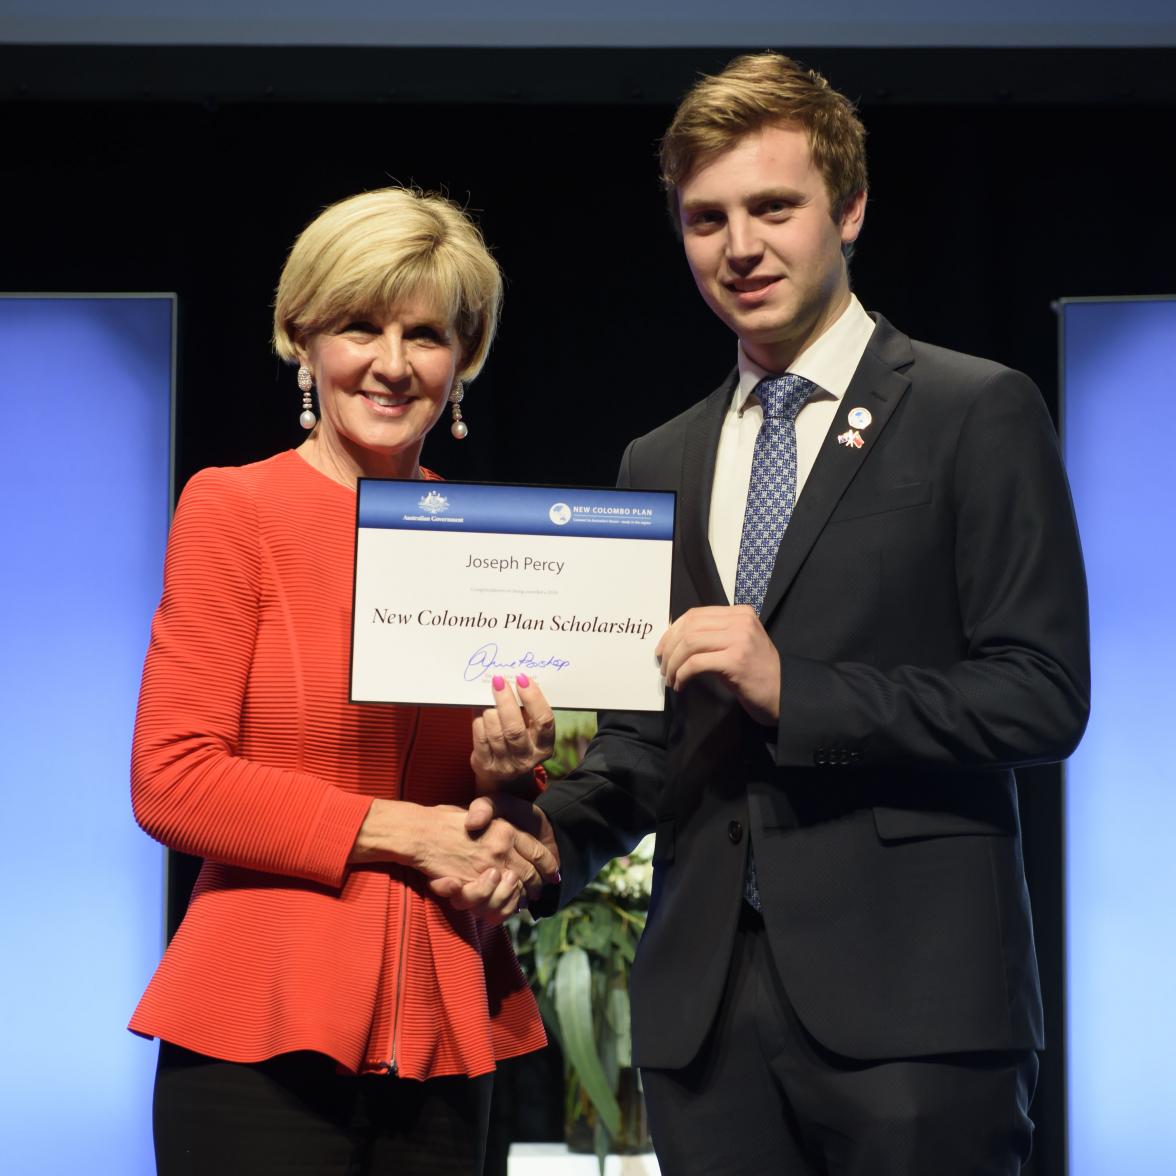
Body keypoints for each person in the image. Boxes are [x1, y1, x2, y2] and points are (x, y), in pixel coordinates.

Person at [467, 53, 1090, 1174]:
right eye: (706, 218)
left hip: (918, 1016)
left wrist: (797, 691)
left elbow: (1040, 694)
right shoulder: (658, 456)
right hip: (708, 1028)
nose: (739, 246)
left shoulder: (975, 409)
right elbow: (647, 747)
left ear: (848, 209)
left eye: (772, 207)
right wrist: (544, 830)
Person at [129, 186, 559, 1176]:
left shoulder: (495, 542)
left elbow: (490, 817)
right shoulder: (234, 509)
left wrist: (506, 784)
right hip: (256, 1024)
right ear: (302, 335)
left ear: (467, 355)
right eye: (361, 326)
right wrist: (402, 828)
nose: (394, 364)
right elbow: (172, 776)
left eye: (427, 333)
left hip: (447, 1022)